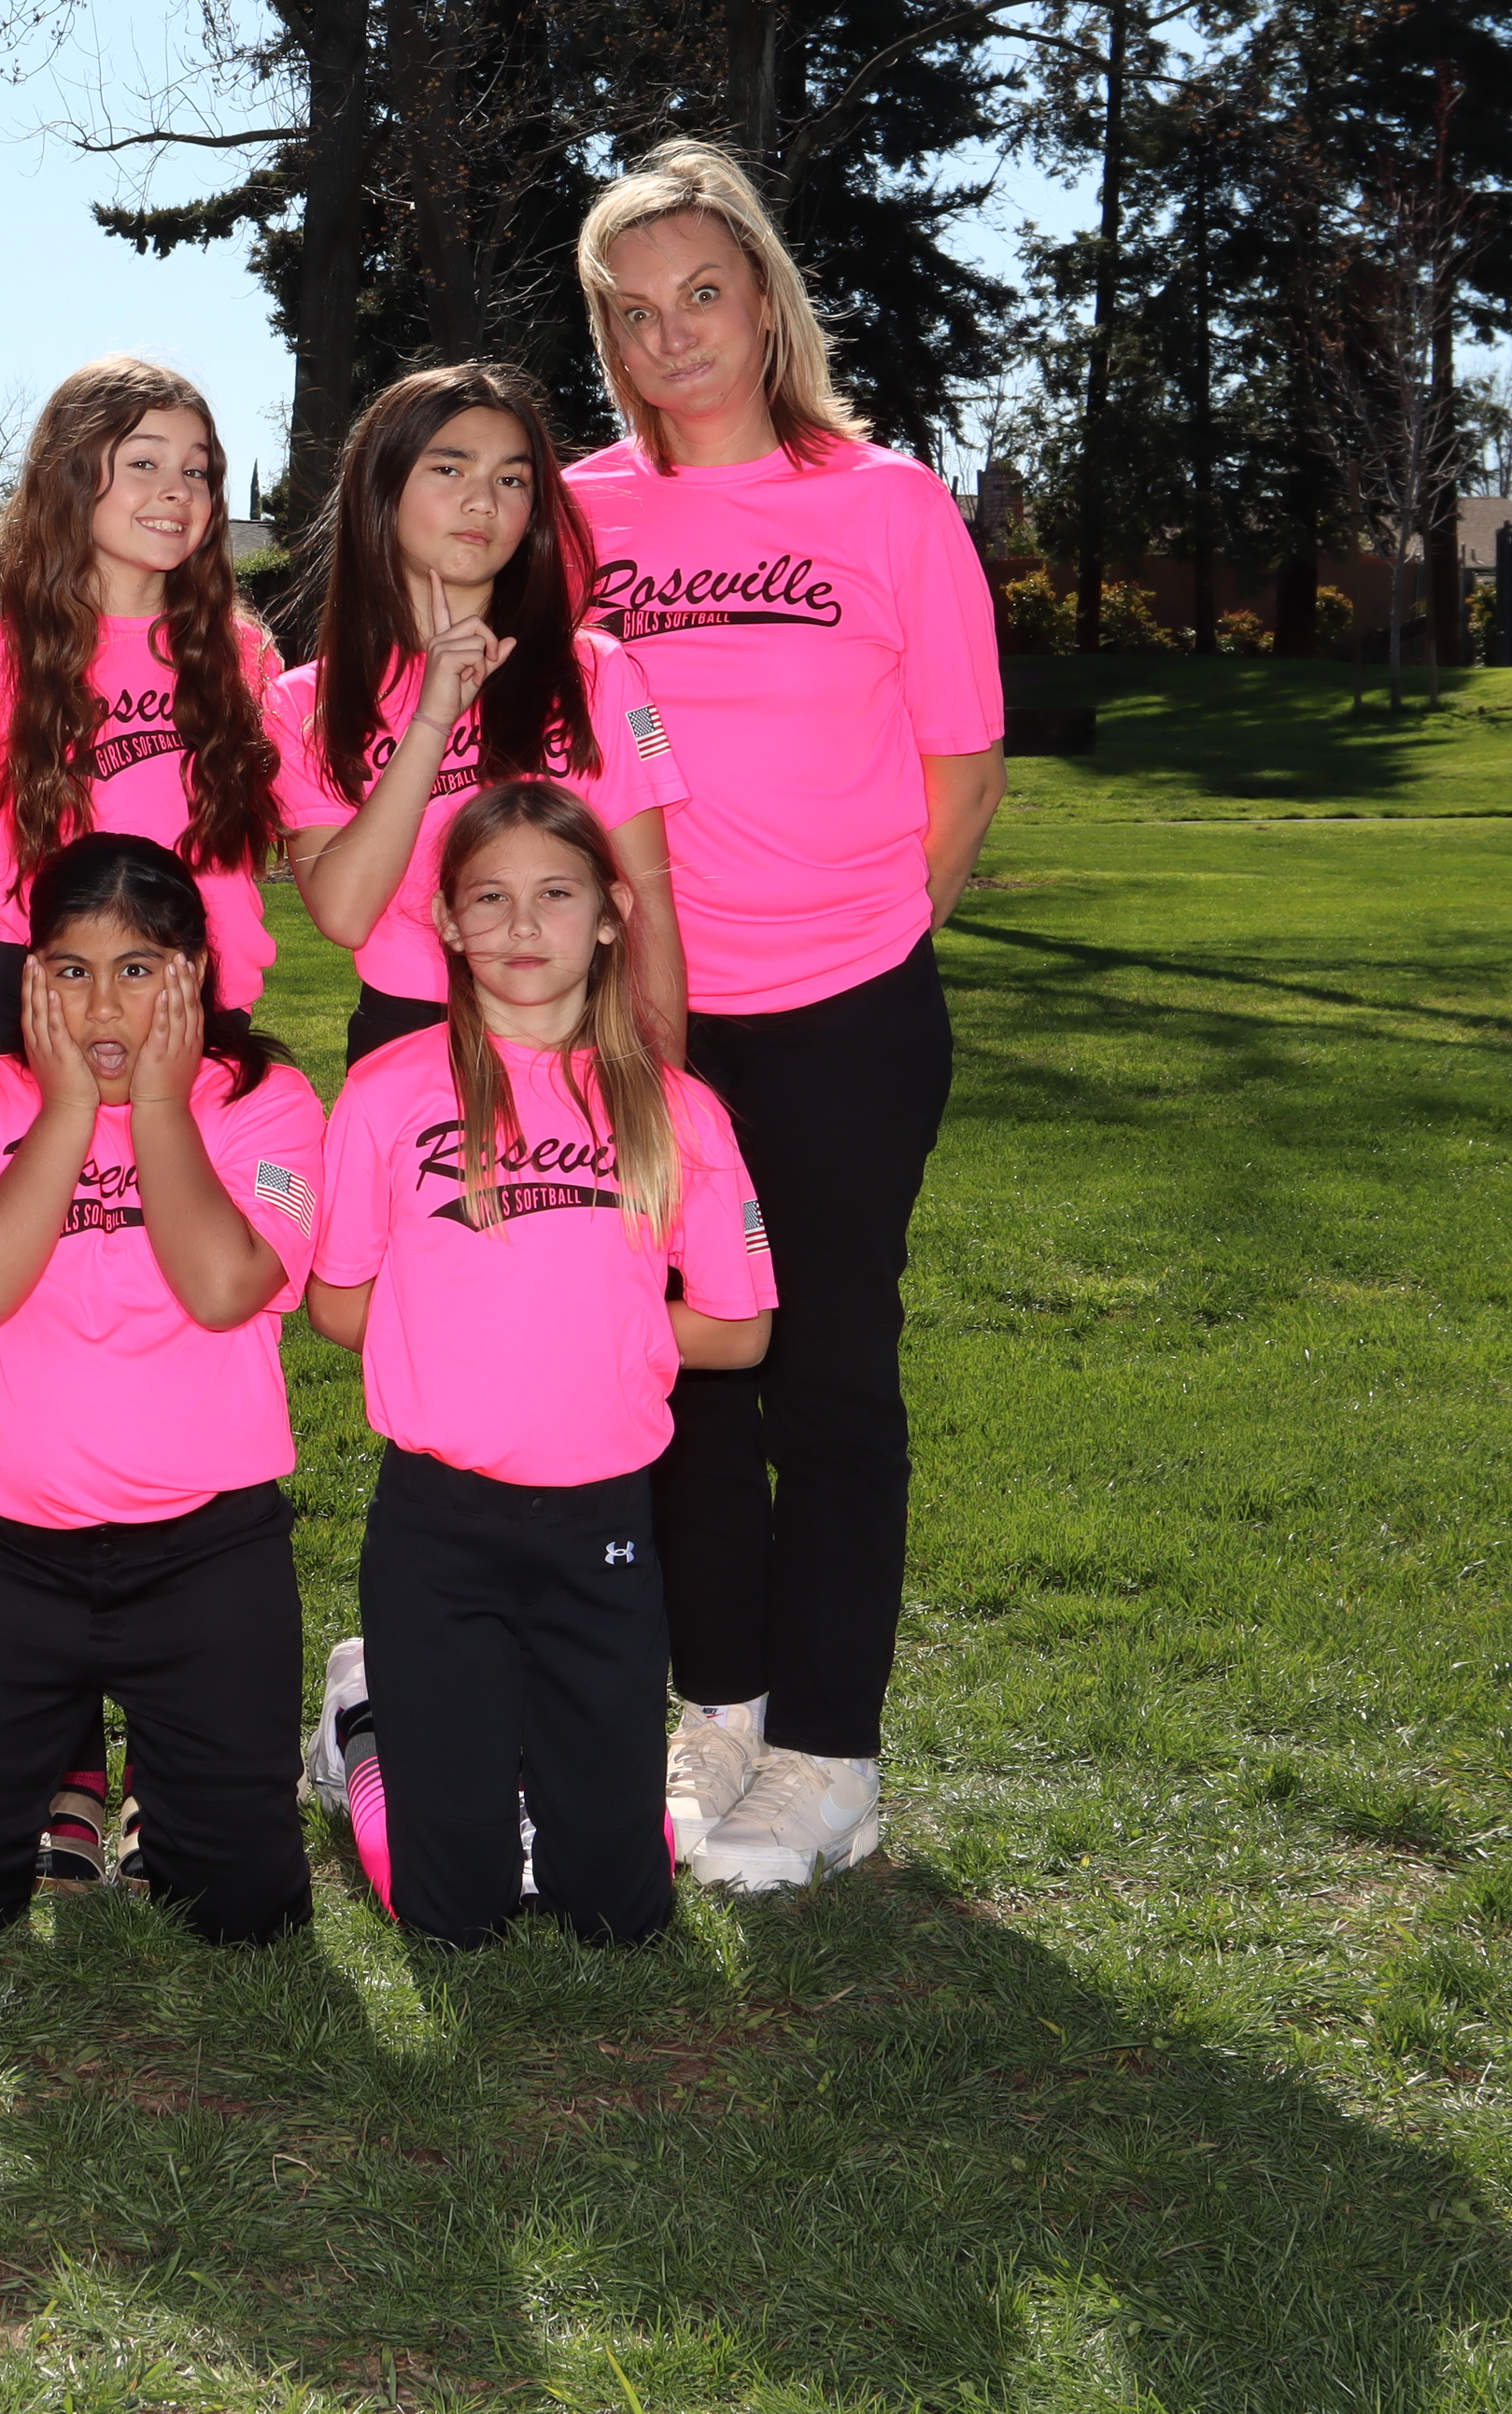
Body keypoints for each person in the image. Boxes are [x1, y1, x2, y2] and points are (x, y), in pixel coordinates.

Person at [563, 140, 1004, 1890]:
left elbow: (963, 766)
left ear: (764, 301)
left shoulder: (886, 502)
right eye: (633, 310)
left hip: (841, 1018)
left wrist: (867, 936)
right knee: (678, 1380)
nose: (671, 334)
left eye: (702, 294)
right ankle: (722, 1715)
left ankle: (830, 1755)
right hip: (646, 1029)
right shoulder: (581, 517)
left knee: (825, 1379)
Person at [304, 785, 775, 1950]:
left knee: (619, 1912)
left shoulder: (677, 1110)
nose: (523, 925)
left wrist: (604, 1329)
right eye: (491, 899)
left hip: (602, 1524)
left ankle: (534, 1773)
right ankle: (365, 1732)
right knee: (450, 1913)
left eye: (556, 894)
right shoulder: (386, 1091)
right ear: (447, 922)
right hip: (437, 1521)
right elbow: (337, 1302)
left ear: (611, 913)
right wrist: (468, 1329)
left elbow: (741, 1328)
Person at [0, 832, 323, 1945]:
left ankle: (270, 1750)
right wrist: (68, 1109)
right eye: (72, 969)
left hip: (207, 1551)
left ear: (194, 973)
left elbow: (223, 1286)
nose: (105, 1005)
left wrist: (158, 1104)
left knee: (244, 1915)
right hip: (13, 1552)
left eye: (139, 968)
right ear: (32, 976)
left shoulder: (264, 1098)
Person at [276, 362, 691, 1071]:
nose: (483, 502)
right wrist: (432, 720)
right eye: (450, 469)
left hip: (579, 1036)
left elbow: (648, 905)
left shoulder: (594, 670)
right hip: (411, 1041)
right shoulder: (303, 702)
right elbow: (344, 914)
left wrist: (668, 1094)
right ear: (382, 488)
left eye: (512, 480)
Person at [0, 359, 289, 1063]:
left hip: (205, 1009)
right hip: (54, 1015)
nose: (177, 490)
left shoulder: (243, 657)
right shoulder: (3, 661)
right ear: (72, 479)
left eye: (198, 471)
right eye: (144, 463)